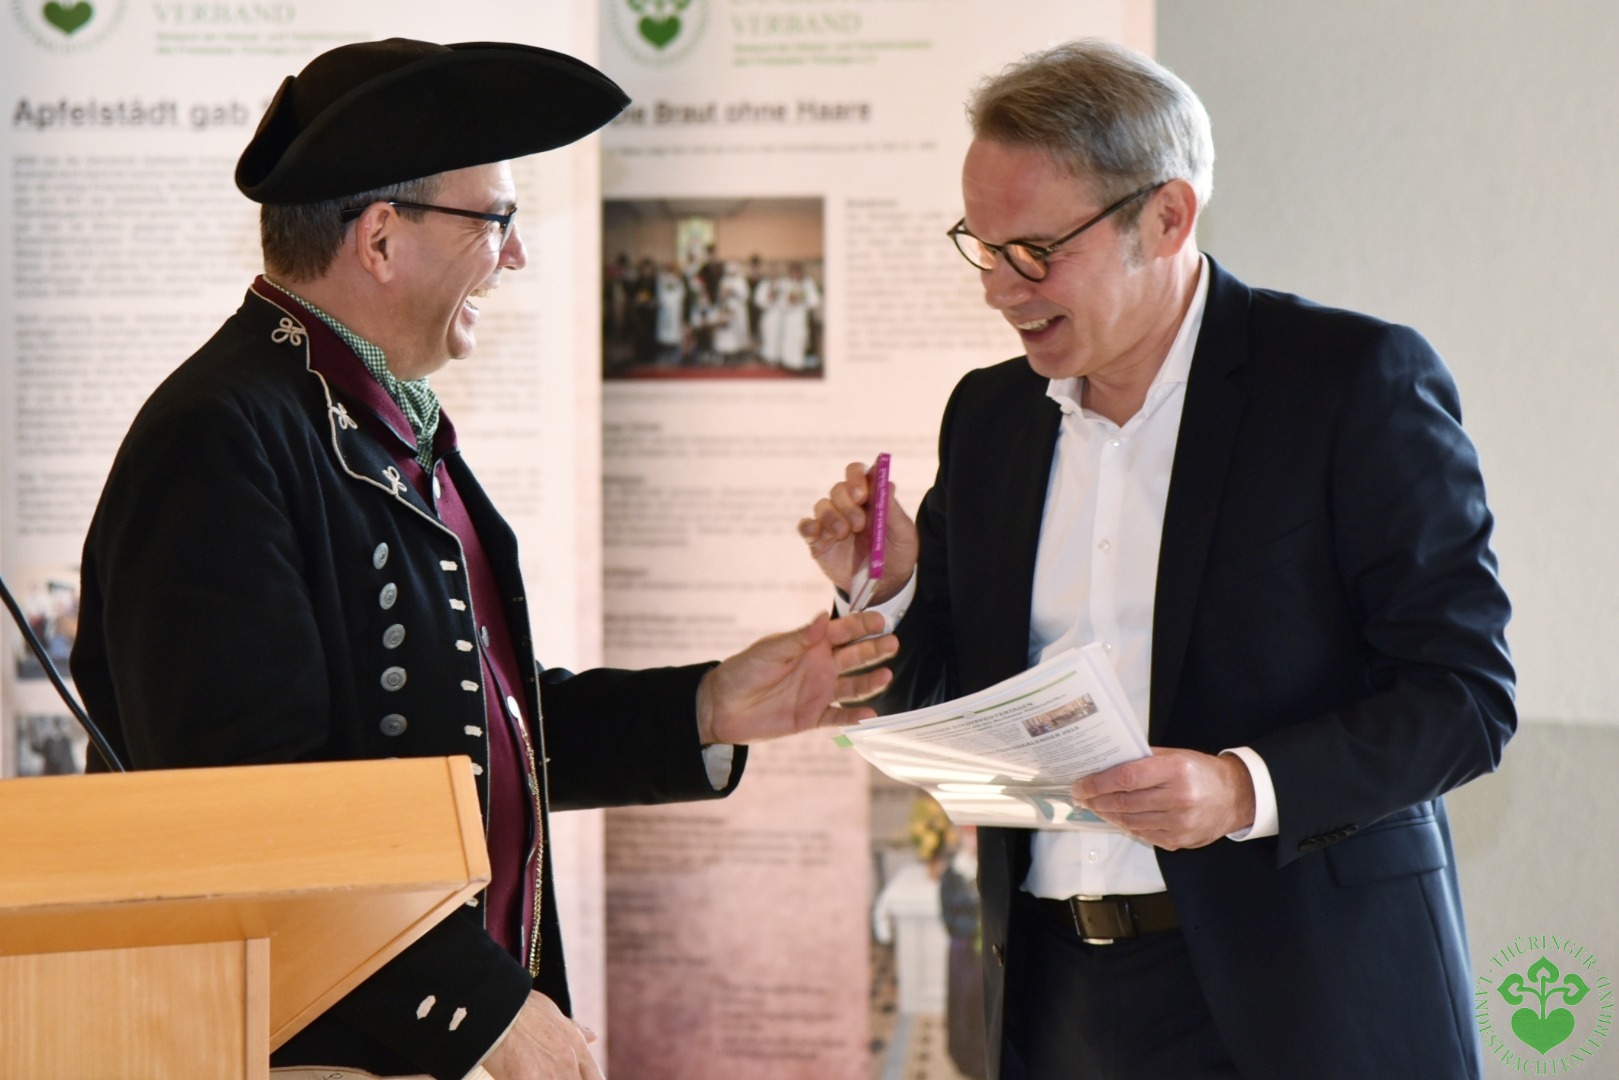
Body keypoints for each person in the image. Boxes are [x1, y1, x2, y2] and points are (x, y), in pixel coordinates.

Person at [69, 38, 897, 1080]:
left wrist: (706, 707)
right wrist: (484, 1012)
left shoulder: (372, 420)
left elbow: (466, 732)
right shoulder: (223, 435)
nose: (514, 256)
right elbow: (252, 814)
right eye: (495, 221)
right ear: (380, 238)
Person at [799, 39, 1513, 1080]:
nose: (999, 289)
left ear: (1167, 217)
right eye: (981, 246)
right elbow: (946, 702)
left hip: (1306, 994)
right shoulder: (989, 417)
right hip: (1052, 997)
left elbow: (1463, 698)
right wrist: (895, 588)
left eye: (1034, 250)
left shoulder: (1344, 382)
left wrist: (1238, 789)